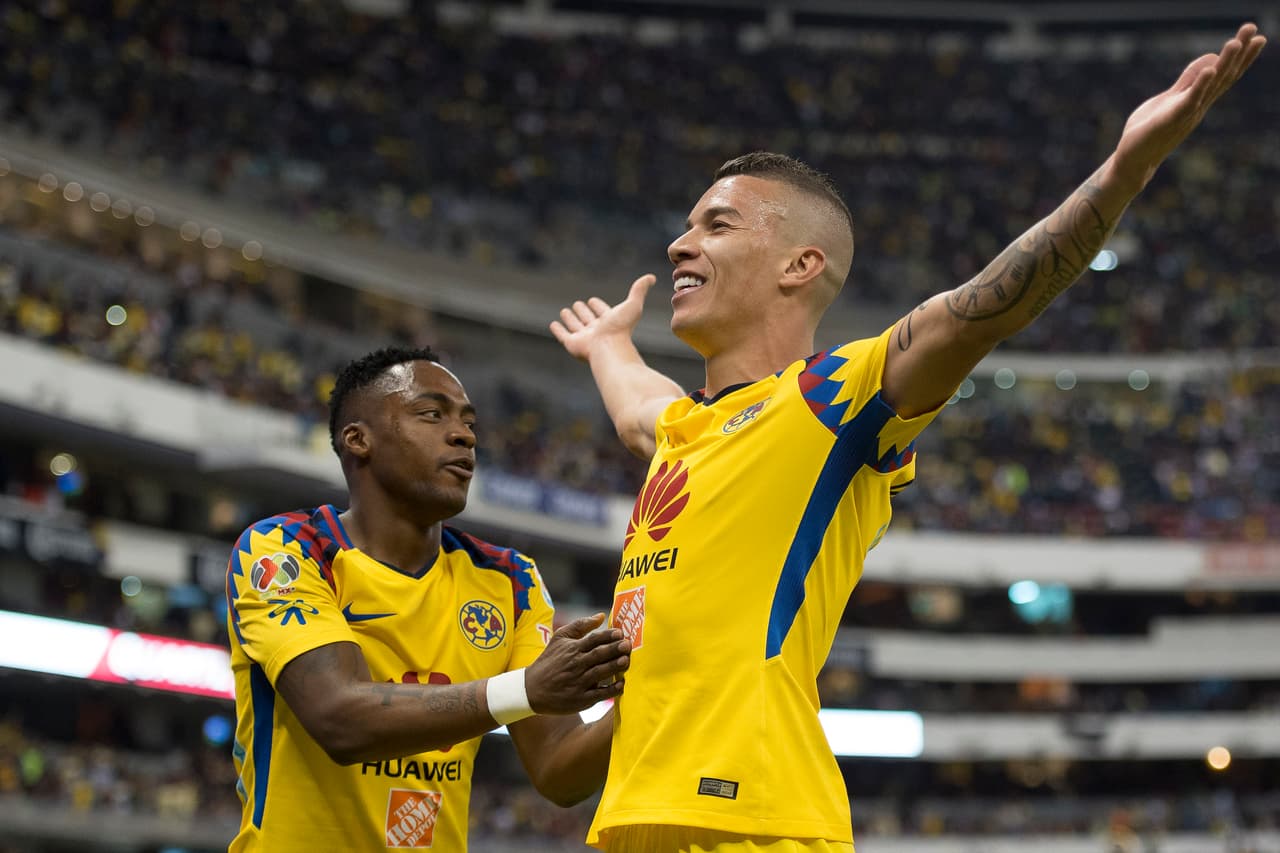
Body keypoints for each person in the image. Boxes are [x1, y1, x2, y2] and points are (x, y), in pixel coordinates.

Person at [550, 24, 1266, 853]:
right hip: (629, 820)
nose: (680, 242)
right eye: (687, 225)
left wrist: (1123, 171)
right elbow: (643, 409)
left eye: (716, 225)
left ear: (798, 265)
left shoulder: (833, 397)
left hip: (754, 820)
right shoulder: (687, 431)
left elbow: (985, 309)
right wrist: (608, 344)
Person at [224, 346, 630, 851]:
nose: (463, 435)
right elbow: (339, 717)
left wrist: (654, 693)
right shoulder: (288, 549)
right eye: (431, 414)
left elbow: (559, 772)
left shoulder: (510, 579)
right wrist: (523, 689)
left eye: (468, 422)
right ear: (359, 439)